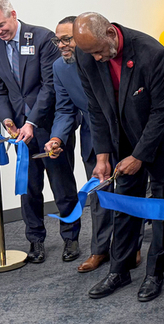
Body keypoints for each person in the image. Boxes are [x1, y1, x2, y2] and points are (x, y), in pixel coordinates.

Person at [73, 12, 164, 302]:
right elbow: (94, 108)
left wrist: (139, 156)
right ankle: (119, 270)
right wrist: (103, 155)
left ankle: (155, 273)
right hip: (120, 140)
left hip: (156, 142)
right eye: (90, 53)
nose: (95, 58)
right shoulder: (86, 56)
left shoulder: (151, 53)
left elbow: (162, 112)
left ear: (109, 33)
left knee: (160, 207)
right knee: (125, 204)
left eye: (98, 51)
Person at [0, 0, 81, 264]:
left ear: (12, 14)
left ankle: (71, 238)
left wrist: (31, 122)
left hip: (49, 124)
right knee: (28, 187)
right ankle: (35, 240)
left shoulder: (42, 38)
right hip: (18, 131)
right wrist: (8, 121)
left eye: (1, 25)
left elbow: (50, 86)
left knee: (62, 184)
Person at [45, 16, 121, 273]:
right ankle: (99, 250)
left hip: (123, 133)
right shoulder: (59, 67)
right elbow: (65, 110)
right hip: (92, 138)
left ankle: (128, 249)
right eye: (59, 40)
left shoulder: (104, 58)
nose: (62, 45)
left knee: (128, 193)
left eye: (68, 39)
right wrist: (57, 137)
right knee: (98, 197)